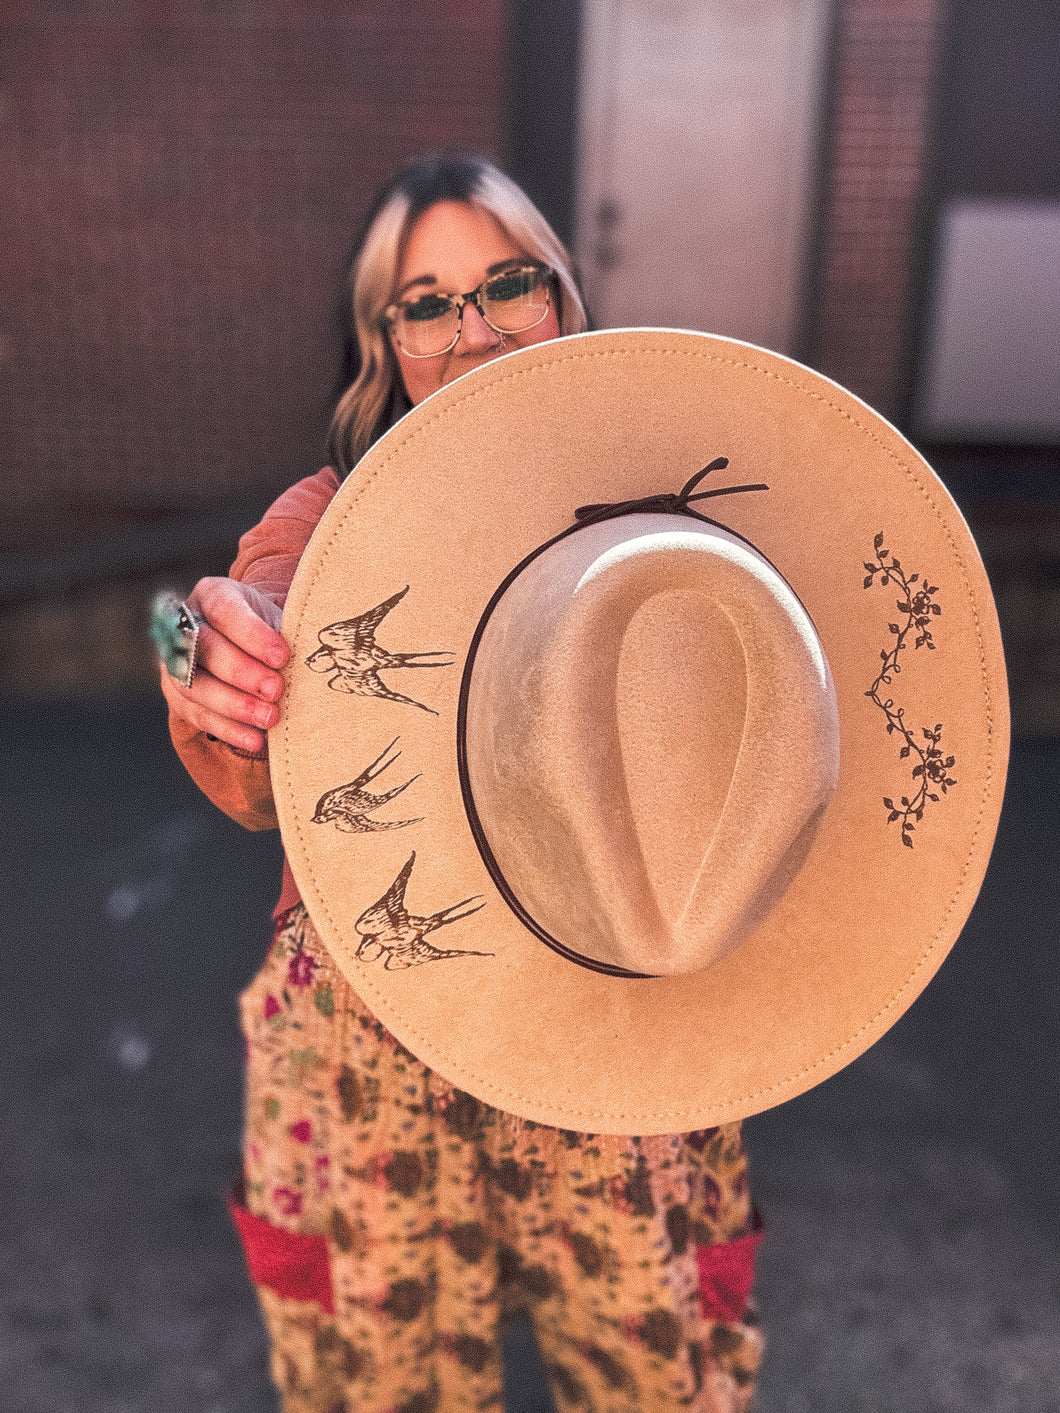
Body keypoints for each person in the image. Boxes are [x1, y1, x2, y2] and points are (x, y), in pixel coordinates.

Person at [160, 152, 764, 1413]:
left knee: (660, 1373)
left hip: (614, 1020)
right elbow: (252, 644)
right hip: (368, 1055)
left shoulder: (662, 499)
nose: (471, 327)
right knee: (386, 1389)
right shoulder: (327, 514)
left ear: (562, 294)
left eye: (505, 283)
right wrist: (204, 650)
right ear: (383, 343)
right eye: (424, 302)